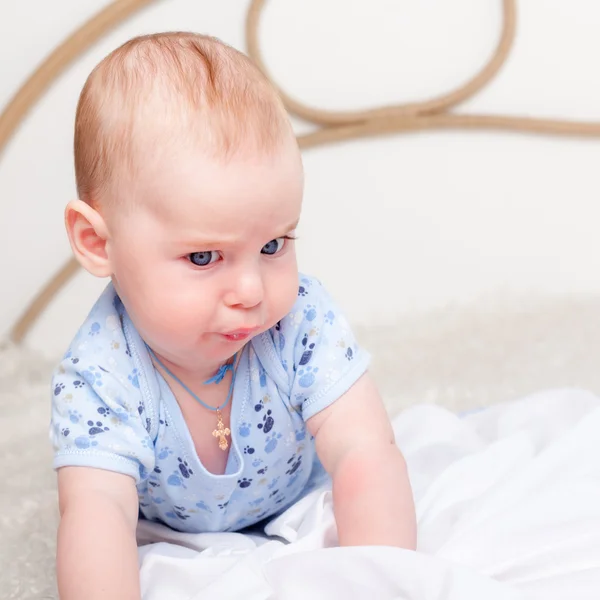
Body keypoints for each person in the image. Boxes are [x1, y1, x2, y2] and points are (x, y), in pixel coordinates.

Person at [50, 31, 416, 599]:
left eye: (274, 245)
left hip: (301, 506)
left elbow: (365, 450)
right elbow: (96, 514)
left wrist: (384, 579)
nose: (251, 290)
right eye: (203, 257)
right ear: (99, 244)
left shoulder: (300, 323)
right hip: (171, 539)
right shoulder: (101, 376)